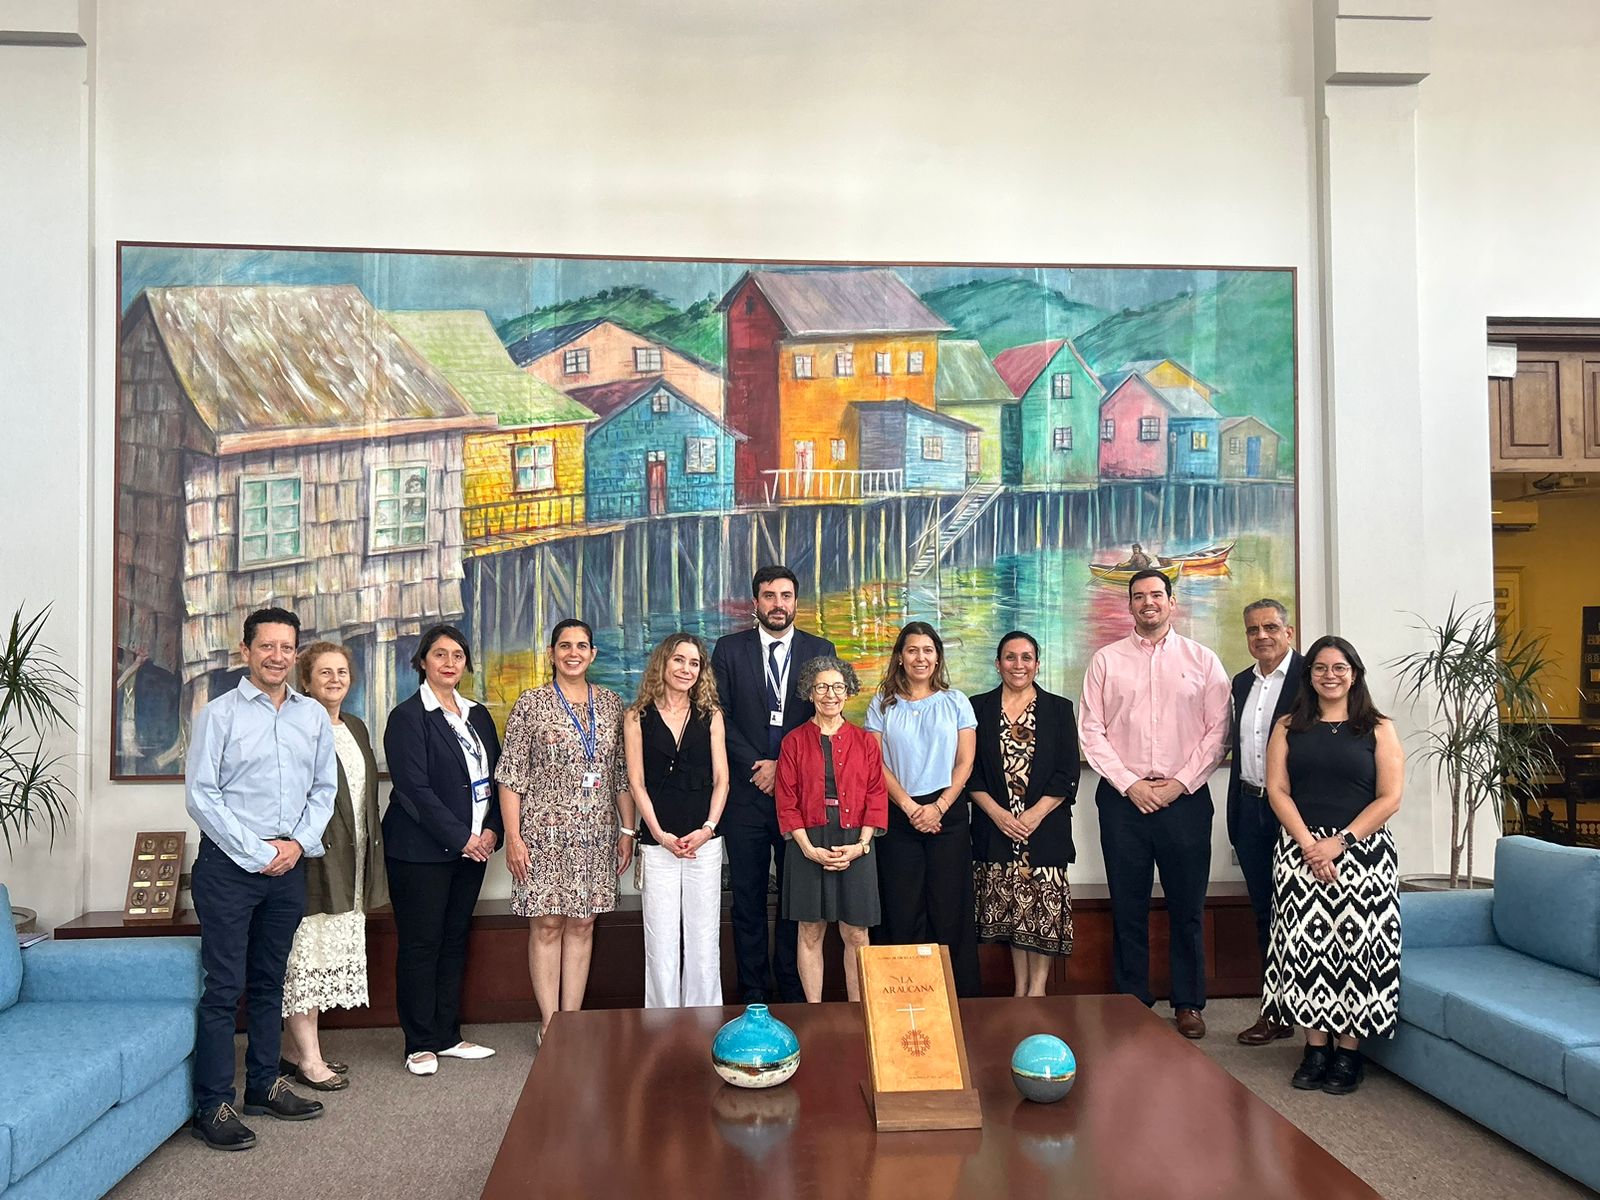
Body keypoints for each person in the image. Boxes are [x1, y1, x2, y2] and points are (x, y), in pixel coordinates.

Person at [185, 606, 335, 1151]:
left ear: (296, 653)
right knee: (225, 988)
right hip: (229, 868)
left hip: (288, 866)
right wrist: (257, 852)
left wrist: (294, 845)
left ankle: (264, 1085)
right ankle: (212, 1104)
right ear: (245, 651)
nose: (277, 656)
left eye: (286, 647)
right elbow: (201, 795)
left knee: (272, 981)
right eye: (266, 646)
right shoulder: (218, 715)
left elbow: (324, 790)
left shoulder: (312, 716)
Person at [1079, 569, 1230, 1038]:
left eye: (1156, 595)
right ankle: (1133, 1001)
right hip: (1123, 801)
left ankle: (1188, 1003)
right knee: (1129, 905)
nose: (1148, 602)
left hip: (1185, 801)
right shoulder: (1106, 661)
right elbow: (1091, 731)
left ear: (1171, 602)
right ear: (1129, 605)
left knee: (1188, 906)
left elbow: (1218, 732)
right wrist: (1130, 784)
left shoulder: (1202, 660)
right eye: (1139, 596)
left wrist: (1179, 784)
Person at [1262, 636, 1404, 1095]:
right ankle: (1315, 1049)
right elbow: (1277, 789)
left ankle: (1348, 1054)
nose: (1330, 676)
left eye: (1339, 667)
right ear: (1309, 676)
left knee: (1357, 952)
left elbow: (1390, 798)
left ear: (1354, 674)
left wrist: (1339, 843)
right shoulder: (1288, 726)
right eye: (1320, 668)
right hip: (1300, 852)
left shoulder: (1378, 728)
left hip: (1363, 855)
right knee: (1306, 952)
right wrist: (1310, 846)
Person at [498, 619, 634, 1042]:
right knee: (547, 924)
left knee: (583, 923)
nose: (573, 653)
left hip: (596, 835)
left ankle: (570, 1021)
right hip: (544, 836)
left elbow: (621, 774)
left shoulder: (611, 704)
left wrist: (627, 831)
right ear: (552, 653)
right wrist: (514, 838)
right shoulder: (531, 703)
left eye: (581, 646)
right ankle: (549, 1023)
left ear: (593, 654)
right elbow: (511, 776)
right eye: (564, 646)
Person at [382, 624, 503, 1077]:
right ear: (422, 661)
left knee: (454, 940)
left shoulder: (478, 715)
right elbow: (414, 791)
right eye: (439, 654)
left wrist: (491, 831)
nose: (449, 662)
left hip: (472, 850)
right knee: (421, 944)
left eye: (457, 655)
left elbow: (498, 779)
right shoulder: (408, 717)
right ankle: (419, 1042)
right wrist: (462, 837)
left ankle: (448, 1035)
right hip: (421, 853)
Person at [711, 565, 836, 1004]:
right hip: (745, 796)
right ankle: (754, 990)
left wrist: (781, 765)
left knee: (795, 898)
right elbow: (718, 715)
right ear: (755, 603)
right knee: (746, 896)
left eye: (785, 596)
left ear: (796, 602)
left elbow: (823, 718)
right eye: (769, 596)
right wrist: (758, 766)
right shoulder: (729, 650)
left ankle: (792, 986)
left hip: (798, 796)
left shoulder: (820, 650)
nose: (778, 604)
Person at [280, 642, 388, 1090]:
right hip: (314, 859)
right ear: (305, 681)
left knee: (325, 956)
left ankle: (293, 1051)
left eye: (341, 671)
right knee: (306, 957)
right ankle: (310, 1059)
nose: (335, 679)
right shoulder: (294, 726)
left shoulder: (356, 727)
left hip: (353, 858)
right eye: (324, 672)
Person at [865, 621, 981, 997]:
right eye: (912, 650)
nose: (920, 657)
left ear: (937, 657)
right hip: (899, 815)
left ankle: (956, 999)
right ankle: (903, 998)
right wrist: (910, 807)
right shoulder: (882, 704)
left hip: (948, 815)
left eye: (928, 650)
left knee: (950, 909)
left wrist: (939, 807)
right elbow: (876, 763)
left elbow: (965, 762)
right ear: (900, 657)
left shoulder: (956, 702)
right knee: (901, 910)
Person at [969, 631, 1080, 997]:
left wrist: (1035, 814)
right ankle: (1020, 990)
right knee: (1015, 913)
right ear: (998, 663)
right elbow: (970, 771)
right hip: (996, 828)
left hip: (1044, 828)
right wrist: (998, 814)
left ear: (1037, 664)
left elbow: (1067, 772)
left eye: (1026, 657)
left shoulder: (1058, 709)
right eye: (1010, 657)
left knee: (1040, 913)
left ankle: (1038, 991)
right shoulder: (977, 707)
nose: (1018, 665)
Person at [623, 633, 729, 1008]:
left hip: (704, 842)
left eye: (694, 663)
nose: (686, 669)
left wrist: (708, 828)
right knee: (661, 940)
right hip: (658, 842)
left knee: (704, 939)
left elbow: (722, 779)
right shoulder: (636, 716)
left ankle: (704, 1018)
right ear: (663, 663)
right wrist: (658, 834)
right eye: (679, 660)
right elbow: (636, 782)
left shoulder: (711, 715)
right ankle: (661, 1023)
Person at [776, 656, 888, 1002]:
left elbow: (876, 796)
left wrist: (861, 846)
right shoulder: (793, 742)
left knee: (857, 933)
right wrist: (808, 849)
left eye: (838, 687)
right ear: (810, 692)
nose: (830, 694)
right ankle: (814, 1011)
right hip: (807, 841)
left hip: (855, 842)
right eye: (822, 687)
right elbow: (786, 801)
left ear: (848, 692)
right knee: (810, 931)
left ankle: (858, 1012)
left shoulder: (865, 742)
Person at [1227, 599, 1302, 1046]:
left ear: (1288, 632)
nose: (1262, 636)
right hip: (1250, 808)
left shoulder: (1311, 677)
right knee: (1266, 913)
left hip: (1296, 813)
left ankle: (1314, 1012)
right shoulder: (1242, 682)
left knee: (1302, 914)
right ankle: (1275, 1011)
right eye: (1253, 629)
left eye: (1271, 627)